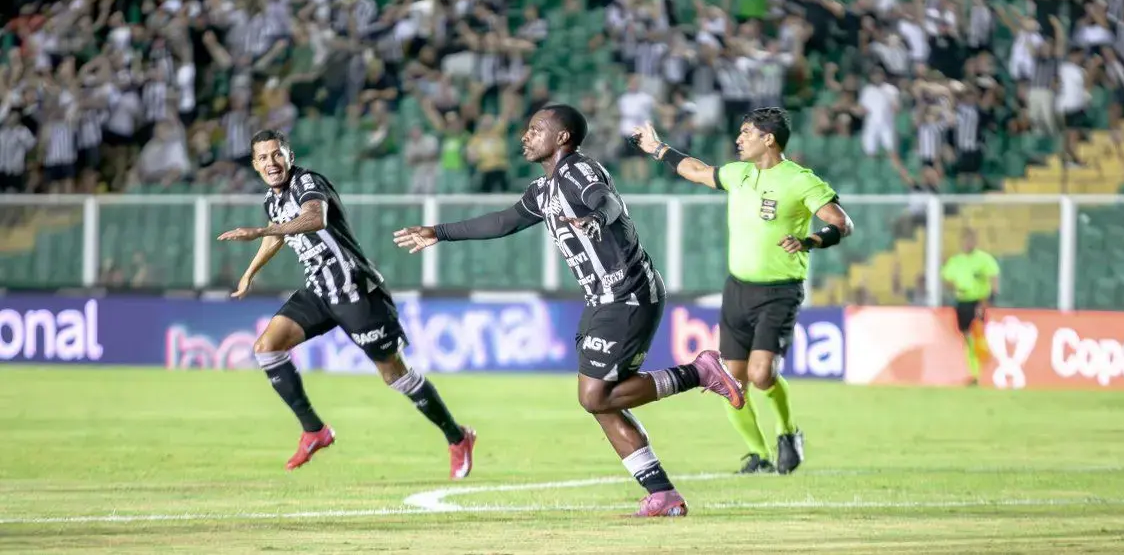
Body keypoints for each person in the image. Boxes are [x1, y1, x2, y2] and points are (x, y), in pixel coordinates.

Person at [393, 104, 745, 518]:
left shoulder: (579, 171)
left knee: (594, 395)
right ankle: (662, 494)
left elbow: (606, 201)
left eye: (535, 129)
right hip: (601, 301)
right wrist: (440, 232)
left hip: (628, 294)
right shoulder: (543, 190)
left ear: (562, 137)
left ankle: (700, 371)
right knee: (602, 401)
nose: (526, 136)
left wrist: (595, 216)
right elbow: (503, 221)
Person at [217, 130, 476, 476]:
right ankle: (314, 431)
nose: (271, 163)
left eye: (276, 154)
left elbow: (314, 218)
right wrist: (250, 272)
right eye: (263, 158)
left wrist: (261, 232)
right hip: (319, 292)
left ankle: (457, 437)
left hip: (356, 290)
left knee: (393, 374)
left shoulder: (307, 182)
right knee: (267, 347)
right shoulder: (273, 199)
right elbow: (278, 230)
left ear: (289, 155)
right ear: (254, 165)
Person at [631, 107, 854, 476]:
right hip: (737, 289)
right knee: (730, 382)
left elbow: (841, 222)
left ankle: (787, 433)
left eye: (747, 132)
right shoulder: (739, 174)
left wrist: (809, 240)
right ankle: (758, 455)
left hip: (779, 291)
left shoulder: (799, 180)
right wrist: (657, 148)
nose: (738, 139)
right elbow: (697, 171)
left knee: (763, 373)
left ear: (769, 138)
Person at [940, 228, 999, 386]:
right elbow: (946, 278)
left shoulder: (984, 259)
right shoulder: (956, 261)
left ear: (975, 242)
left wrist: (989, 299)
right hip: (962, 301)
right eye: (965, 241)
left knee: (977, 332)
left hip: (978, 301)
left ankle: (982, 367)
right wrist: (952, 285)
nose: (968, 243)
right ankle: (976, 372)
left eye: (971, 240)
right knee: (968, 338)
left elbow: (993, 277)